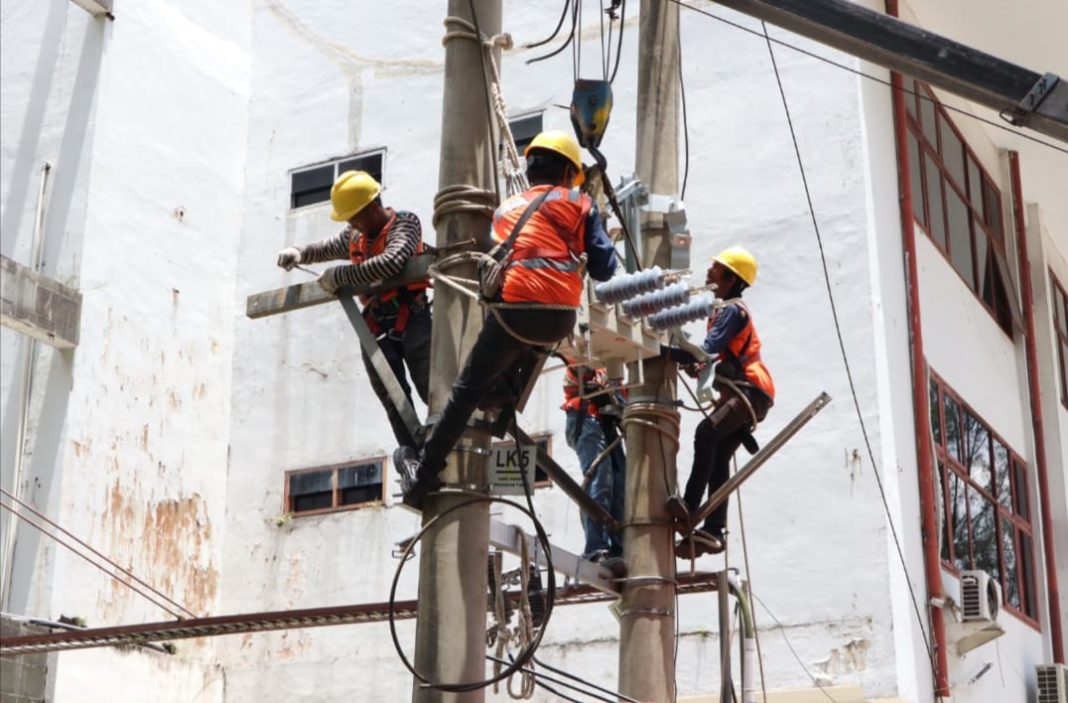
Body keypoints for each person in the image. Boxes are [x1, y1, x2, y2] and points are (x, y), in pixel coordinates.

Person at [394, 130, 618, 508]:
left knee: (465, 391)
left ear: (530, 171)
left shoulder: (506, 209)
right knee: (526, 346)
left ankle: (424, 474)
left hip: (515, 315)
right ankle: (503, 396)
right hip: (559, 319)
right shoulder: (579, 203)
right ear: (567, 172)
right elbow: (604, 269)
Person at [276, 170, 431, 447]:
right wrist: (300, 252)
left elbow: (390, 262)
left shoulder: (404, 224)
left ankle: (446, 445)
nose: (350, 223)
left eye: (353, 215)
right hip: (375, 326)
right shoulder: (355, 235)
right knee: (394, 401)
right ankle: (415, 456)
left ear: (372, 207)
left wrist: (341, 276)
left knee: (432, 388)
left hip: (411, 318)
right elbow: (325, 248)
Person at [669, 247, 775, 557]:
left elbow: (709, 348)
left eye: (716, 268)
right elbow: (711, 356)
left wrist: (666, 354)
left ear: (730, 278)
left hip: (750, 391)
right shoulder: (723, 310)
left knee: (705, 434)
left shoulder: (733, 310)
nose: (709, 271)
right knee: (716, 457)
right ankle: (714, 531)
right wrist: (696, 365)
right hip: (745, 393)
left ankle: (688, 506)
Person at [561, 362, 625, 563]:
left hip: (607, 425)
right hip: (585, 418)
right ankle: (595, 547)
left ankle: (618, 547)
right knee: (600, 482)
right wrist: (590, 377)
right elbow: (574, 369)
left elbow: (625, 400)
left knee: (620, 484)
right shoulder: (586, 354)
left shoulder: (613, 372)